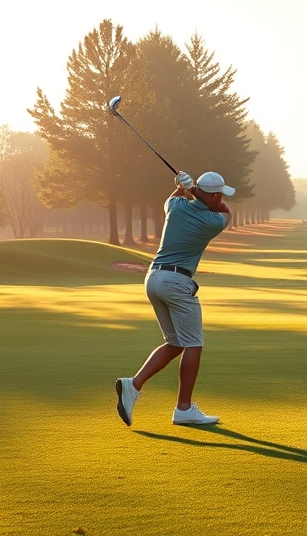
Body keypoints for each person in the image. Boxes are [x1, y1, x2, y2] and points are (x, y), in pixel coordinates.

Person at [115, 170, 234, 426]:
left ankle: (132, 386)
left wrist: (183, 187)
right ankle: (184, 408)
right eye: (220, 194)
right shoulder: (212, 222)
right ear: (214, 196)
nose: (223, 198)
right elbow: (226, 213)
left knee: (176, 342)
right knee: (194, 343)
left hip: (153, 279)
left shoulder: (176, 207)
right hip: (177, 282)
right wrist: (193, 191)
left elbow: (172, 198)